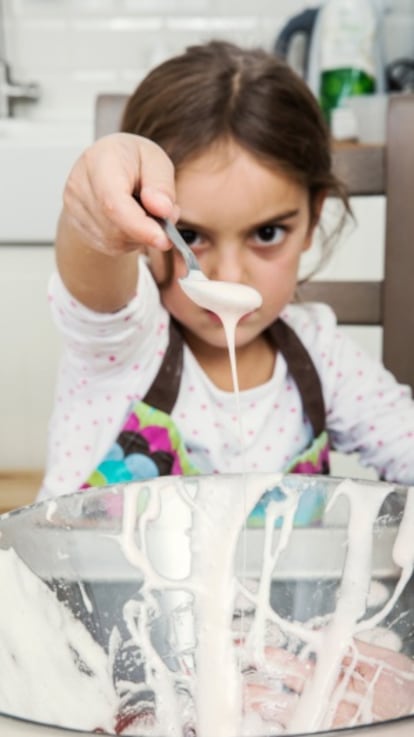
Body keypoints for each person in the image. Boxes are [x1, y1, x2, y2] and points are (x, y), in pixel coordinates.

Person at [39, 40, 414, 501]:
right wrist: (96, 212)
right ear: (138, 221)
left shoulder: (324, 358)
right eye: (190, 236)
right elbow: (95, 273)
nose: (229, 276)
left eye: (268, 233)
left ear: (313, 219)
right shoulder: (127, 342)